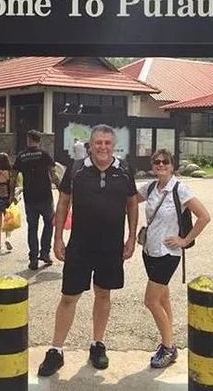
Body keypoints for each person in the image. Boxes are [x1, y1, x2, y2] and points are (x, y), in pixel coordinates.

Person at [38, 124, 139, 377]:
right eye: (98, 143)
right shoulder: (77, 169)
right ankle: (56, 350)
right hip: (80, 246)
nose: (103, 147)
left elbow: (132, 204)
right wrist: (57, 238)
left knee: (103, 295)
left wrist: (131, 237)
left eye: (107, 142)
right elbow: (63, 203)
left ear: (114, 145)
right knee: (68, 297)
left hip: (111, 247)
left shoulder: (124, 170)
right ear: (91, 145)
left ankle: (97, 344)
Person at [136, 149, 211, 369]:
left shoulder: (180, 189)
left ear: (172, 165)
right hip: (149, 251)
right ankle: (170, 341)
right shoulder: (150, 188)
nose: (161, 165)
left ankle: (167, 347)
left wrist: (185, 240)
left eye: (165, 162)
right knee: (163, 298)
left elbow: (204, 217)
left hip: (168, 254)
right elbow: (128, 200)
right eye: (157, 162)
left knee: (151, 301)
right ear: (152, 166)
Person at [12, 130, 62, 270]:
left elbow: (13, 176)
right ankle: (45, 252)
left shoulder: (21, 156)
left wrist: (11, 194)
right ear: (39, 141)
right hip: (45, 196)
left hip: (30, 198)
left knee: (32, 228)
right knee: (49, 224)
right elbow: (53, 175)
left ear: (28, 140)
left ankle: (33, 259)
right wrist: (61, 190)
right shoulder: (44, 155)